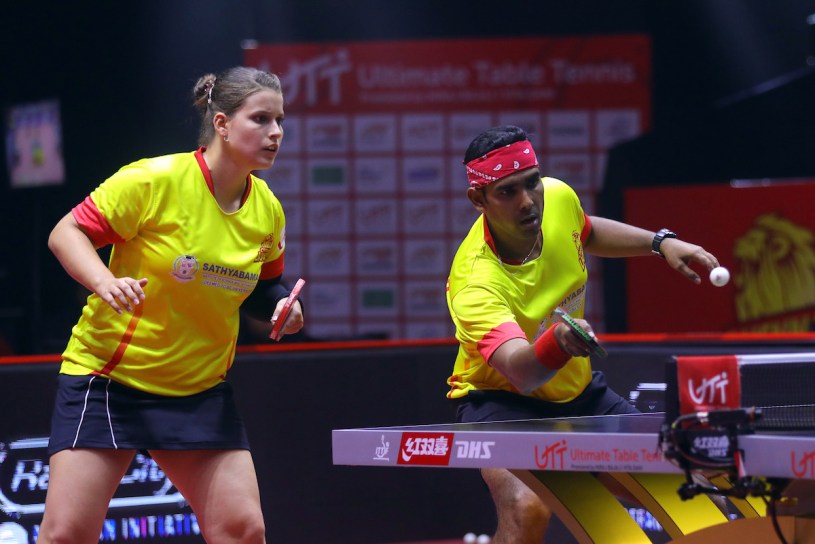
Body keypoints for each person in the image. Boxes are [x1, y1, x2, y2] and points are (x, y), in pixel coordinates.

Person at [39, 66, 302, 544]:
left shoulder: (267, 209)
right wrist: (103, 280)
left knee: (243, 530)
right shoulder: (154, 180)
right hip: (110, 380)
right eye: (261, 119)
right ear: (221, 123)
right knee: (67, 534)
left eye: (280, 121)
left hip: (199, 388)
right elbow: (67, 232)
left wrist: (284, 306)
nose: (276, 133)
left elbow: (267, 286)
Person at [446, 125, 720, 544]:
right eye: (508, 192)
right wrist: (557, 343)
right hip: (502, 406)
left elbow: (585, 230)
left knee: (695, 490)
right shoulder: (475, 281)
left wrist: (660, 243)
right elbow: (522, 371)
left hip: (582, 397)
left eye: (531, 183)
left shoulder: (556, 196)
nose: (528, 201)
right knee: (527, 510)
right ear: (478, 199)